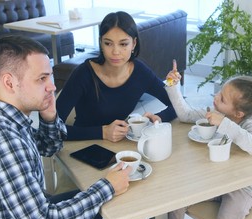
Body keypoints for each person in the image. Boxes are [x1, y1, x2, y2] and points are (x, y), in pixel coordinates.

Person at [0, 35, 146, 219]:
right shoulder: (1, 139)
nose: (53, 86)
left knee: (96, 191)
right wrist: (107, 187)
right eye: (42, 79)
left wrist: (49, 117)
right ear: (9, 83)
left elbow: (49, 148)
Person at [164, 61, 252, 219]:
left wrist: (224, 123)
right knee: (176, 199)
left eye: (222, 98)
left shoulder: (248, 123)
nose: (215, 97)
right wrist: (173, 86)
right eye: (219, 92)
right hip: (214, 181)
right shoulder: (216, 112)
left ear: (238, 113)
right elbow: (185, 114)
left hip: (242, 187)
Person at [56, 11, 177, 142]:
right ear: (101, 43)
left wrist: (159, 117)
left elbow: (177, 105)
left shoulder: (140, 72)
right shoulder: (83, 74)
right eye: (108, 43)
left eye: (123, 44)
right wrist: (102, 132)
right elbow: (52, 130)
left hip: (118, 146)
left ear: (134, 44)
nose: (115, 52)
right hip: (82, 147)